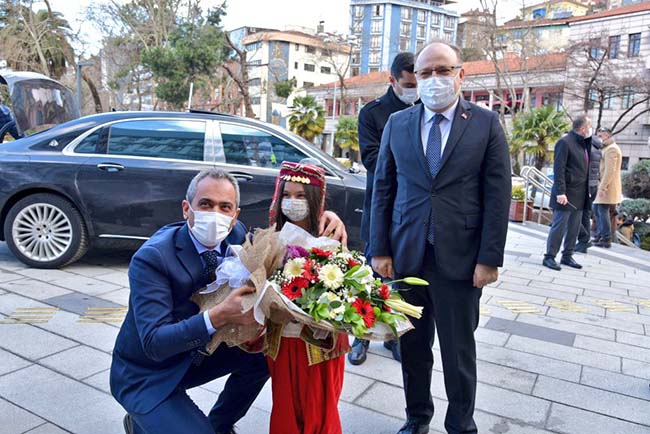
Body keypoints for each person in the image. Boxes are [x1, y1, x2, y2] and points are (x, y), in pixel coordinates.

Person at [110, 169, 348, 434]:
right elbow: (154, 343)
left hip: (198, 355)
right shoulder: (153, 258)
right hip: (149, 373)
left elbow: (280, 236)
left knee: (263, 354)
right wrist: (219, 316)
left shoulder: (236, 236)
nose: (215, 214)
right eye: (205, 204)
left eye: (225, 207)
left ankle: (219, 425)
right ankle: (143, 420)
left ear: (235, 216)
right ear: (186, 209)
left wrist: (323, 216)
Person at [370, 41, 511, 434]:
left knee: (458, 352)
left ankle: (461, 424)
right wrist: (378, 249)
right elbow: (383, 188)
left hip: (461, 260)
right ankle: (417, 417)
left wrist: (489, 258)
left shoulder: (485, 124)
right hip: (406, 256)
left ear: (460, 75)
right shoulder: (398, 124)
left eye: (442, 70)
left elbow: (497, 196)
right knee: (412, 348)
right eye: (425, 73)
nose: (434, 79)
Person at [266, 161, 350, 434]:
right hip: (283, 341)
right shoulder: (272, 236)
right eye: (287, 195)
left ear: (314, 197)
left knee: (319, 408)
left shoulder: (330, 232)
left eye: (301, 195)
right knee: (286, 408)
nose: (293, 202)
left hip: (318, 344)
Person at [352, 51, 419, 365]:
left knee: (402, 281)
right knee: (370, 277)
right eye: (409, 85)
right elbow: (372, 161)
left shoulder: (426, 110)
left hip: (412, 213)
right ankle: (360, 337)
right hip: (381, 209)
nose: (415, 90)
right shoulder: (373, 113)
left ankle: (394, 336)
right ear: (393, 80)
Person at [543, 115, 592, 271]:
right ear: (583, 128)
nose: (591, 129)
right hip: (566, 193)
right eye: (589, 126)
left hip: (580, 193)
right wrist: (560, 192)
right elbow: (559, 169)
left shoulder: (584, 144)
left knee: (574, 227)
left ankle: (567, 255)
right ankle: (549, 256)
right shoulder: (564, 142)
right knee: (559, 226)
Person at [593, 127, 622, 248]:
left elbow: (610, 171)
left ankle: (606, 238)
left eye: (601, 136)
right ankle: (601, 235)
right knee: (597, 210)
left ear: (608, 136)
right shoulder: (606, 148)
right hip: (604, 185)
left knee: (602, 211)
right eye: (598, 136)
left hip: (608, 186)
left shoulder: (612, 149)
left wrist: (603, 187)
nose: (599, 138)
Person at [575, 133, 602, 253]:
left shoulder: (586, 148)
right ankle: (584, 242)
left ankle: (584, 238)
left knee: (573, 214)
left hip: (583, 186)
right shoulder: (596, 148)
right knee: (585, 214)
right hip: (592, 186)